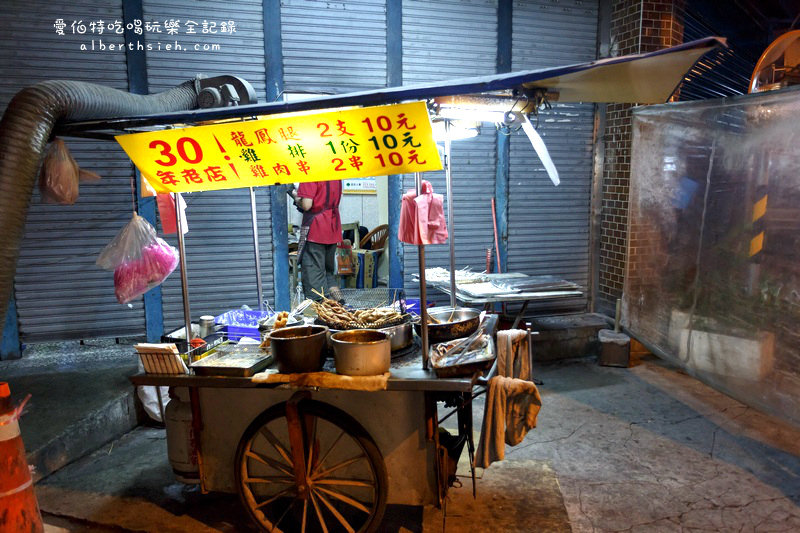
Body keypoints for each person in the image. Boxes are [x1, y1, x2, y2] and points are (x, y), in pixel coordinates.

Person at [290, 180, 343, 301]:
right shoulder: (336, 173)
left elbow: (307, 205)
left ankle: (322, 312)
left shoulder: (312, 173)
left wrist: (296, 197)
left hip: (316, 229)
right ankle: (341, 305)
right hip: (332, 228)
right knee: (328, 272)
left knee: (313, 274)